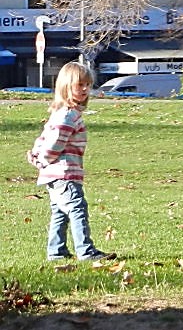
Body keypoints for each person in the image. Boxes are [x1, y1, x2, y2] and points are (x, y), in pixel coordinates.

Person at [26, 62, 117, 262]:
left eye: (88, 85)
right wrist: (42, 159)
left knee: (60, 212)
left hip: (57, 173)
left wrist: (37, 155)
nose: (85, 89)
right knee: (77, 208)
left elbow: (42, 138)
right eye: (80, 85)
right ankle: (85, 250)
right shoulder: (67, 115)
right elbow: (54, 143)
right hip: (63, 173)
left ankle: (56, 251)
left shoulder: (63, 113)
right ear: (66, 87)